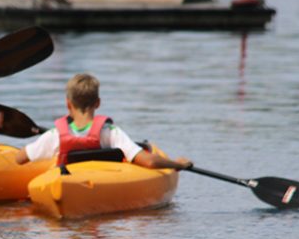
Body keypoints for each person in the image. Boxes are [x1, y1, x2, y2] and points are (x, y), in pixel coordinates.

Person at [14, 73, 192, 170]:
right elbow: (150, 162)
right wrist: (178, 165)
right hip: (100, 185)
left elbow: (20, 158)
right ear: (97, 103)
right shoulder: (110, 132)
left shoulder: (55, 135)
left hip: (65, 182)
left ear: (68, 104)